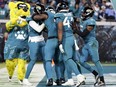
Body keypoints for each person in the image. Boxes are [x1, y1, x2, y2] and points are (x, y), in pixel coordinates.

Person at [72, 6, 105, 86]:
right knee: (82, 61)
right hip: (86, 43)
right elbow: (75, 19)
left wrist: (75, 30)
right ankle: (96, 74)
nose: (82, 14)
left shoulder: (91, 21)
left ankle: (102, 80)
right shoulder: (84, 20)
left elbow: (84, 34)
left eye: (84, 12)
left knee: (96, 61)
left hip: (92, 43)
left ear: (88, 13)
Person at [54, 1, 86, 87]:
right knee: (68, 59)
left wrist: (60, 42)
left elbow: (60, 29)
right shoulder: (70, 14)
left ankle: (79, 76)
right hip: (71, 37)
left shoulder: (58, 15)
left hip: (65, 38)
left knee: (68, 59)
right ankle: (70, 80)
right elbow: (74, 26)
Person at [31, 3, 62, 86]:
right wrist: (60, 42)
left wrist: (34, 13)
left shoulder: (47, 14)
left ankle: (50, 79)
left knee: (47, 60)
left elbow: (35, 17)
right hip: (59, 39)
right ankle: (59, 79)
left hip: (51, 40)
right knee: (57, 61)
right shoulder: (58, 16)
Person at [4, 1, 30, 84]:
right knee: (10, 63)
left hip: (24, 45)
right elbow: (7, 26)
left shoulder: (29, 22)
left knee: (22, 62)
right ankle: (10, 74)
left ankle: (21, 78)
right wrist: (16, 20)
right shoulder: (12, 21)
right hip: (12, 45)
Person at [23, 4, 46, 86]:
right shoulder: (31, 19)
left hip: (41, 40)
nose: (44, 13)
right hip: (34, 41)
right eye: (42, 11)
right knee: (33, 60)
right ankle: (25, 79)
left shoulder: (39, 18)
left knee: (46, 60)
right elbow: (39, 29)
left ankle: (49, 79)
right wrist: (46, 22)